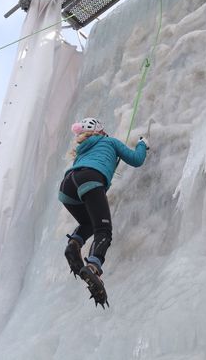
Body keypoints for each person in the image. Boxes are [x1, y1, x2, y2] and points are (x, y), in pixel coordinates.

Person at [58, 117, 148, 306]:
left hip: (67, 186)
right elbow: (136, 160)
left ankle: (74, 243)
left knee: (88, 223)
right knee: (103, 230)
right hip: (90, 178)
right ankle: (93, 266)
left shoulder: (81, 149)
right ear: (100, 129)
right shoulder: (110, 141)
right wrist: (142, 144)